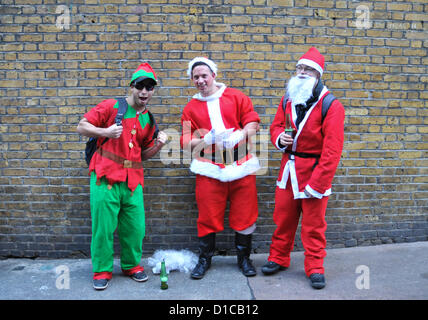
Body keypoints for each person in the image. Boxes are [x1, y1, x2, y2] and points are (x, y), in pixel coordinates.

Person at [77, 63, 168, 290]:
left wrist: (158, 145)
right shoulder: (112, 107)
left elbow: (143, 154)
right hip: (104, 178)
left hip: (132, 181)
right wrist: (105, 132)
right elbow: (82, 126)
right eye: (140, 86)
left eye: (149, 87)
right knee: (103, 228)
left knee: (135, 228)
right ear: (132, 87)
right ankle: (102, 270)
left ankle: (131, 265)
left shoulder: (148, 119)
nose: (144, 91)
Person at [262, 47, 345, 289]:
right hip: (288, 171)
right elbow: (276, 125)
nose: (301, 73)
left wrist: (318, 183)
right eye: (299, 68)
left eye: (307, 69)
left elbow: (332, 151)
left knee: (314, 225)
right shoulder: (288, 98)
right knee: (283, 218)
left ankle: (315, 266)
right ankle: (278, 257)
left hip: (314, 171)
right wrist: (279, 139)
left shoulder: (332, 105)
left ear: (318, 74)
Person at [180, 57, 261, 279]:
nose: (200, 80)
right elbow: (185, 142)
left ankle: (244, 259)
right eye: (195, 77)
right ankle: (205, 259)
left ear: (213, 75)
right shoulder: (190, 107)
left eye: (204, 75)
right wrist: (206, 139)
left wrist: (240, 135)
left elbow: (253, 122)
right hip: (209, 167)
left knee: (245, 214)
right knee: (206, 215)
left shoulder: (236, 97)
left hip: (241, 165)